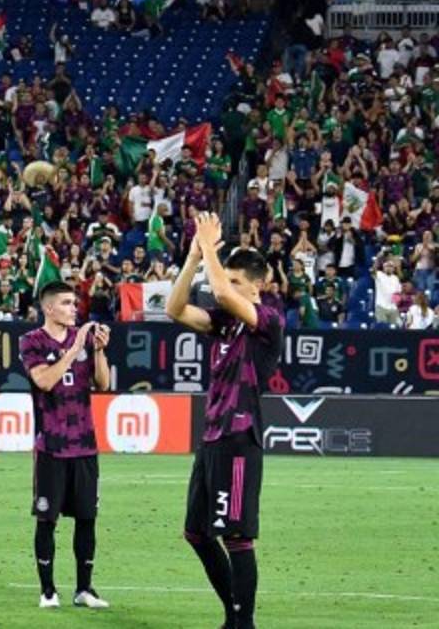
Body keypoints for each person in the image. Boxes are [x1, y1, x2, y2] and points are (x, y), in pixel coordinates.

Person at [165, 213, 284, 629]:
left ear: (257, 286)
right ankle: (232, 616)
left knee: (236, 537)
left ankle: (242, 623)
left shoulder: (268, 321)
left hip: (239, 439)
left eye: (236, 282)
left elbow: (218, 290)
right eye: (227, 280)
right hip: (213, 437)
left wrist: (210, 249)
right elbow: (174, 308)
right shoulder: (224, 324)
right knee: (197, 533)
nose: (226, 289)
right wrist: (194, 257)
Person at [19, 281, 112, 610]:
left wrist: (98, 351)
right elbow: (44, 380)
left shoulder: (84, 339)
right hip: (51, 446)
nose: (74, 308)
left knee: (87, 518)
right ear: (48, 308)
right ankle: (48, 591)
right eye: (67, 303)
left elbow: (103, 384)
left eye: (74, 303)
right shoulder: (31, 341)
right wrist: (73, 351)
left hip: (85, 444)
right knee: (47, 519)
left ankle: (84, 589)